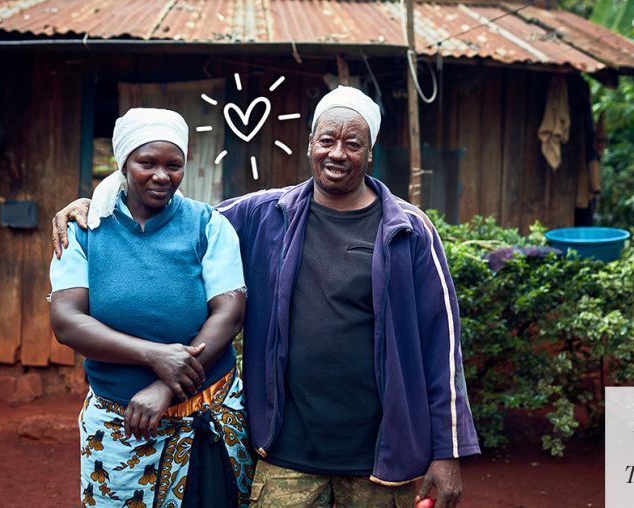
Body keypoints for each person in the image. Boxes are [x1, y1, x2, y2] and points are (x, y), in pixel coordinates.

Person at [54, 87, 480, 508]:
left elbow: (441, 347)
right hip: (284, 449)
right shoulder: (264, 213)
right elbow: (175, 218)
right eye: (327, 140)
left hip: (381, 453)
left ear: (370, 152)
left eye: (353, 144)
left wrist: (449, 452)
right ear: (310, 142)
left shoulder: (408, 229)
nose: (337, 153)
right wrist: (99, 203)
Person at [49, 108, 255, 508]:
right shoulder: (83, 229)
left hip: (206, 417)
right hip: (119, 424)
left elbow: (229, 313)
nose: (162, 176)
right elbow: (67, 321)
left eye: (173, 165)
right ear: (123, 163)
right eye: (147, 163)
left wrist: (167, 385)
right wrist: (154, 355)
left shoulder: (207, 225)